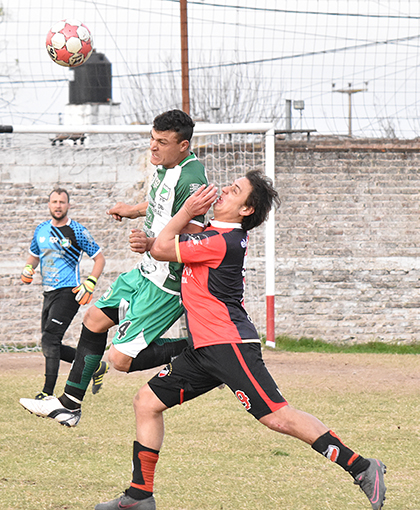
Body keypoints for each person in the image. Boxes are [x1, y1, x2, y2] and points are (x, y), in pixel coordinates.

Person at [94, 171, 387, 510]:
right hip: (203, 350)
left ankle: (363, 467)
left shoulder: (224, 241)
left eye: (234, 191)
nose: (224, 191)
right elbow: (164, 241)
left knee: (277, 416)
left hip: (228, 345)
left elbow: (163, 245)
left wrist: (183, 214)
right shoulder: (213, 233)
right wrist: (151, 234)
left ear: (246, 210)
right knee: (146, 403)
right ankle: (139, 496)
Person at [20, 109, 208, 427]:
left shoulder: (192, 179)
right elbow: (161, 203)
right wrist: (133, 211)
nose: (153, 147)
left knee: (120, 360)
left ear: (184, 145)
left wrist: (151, 243)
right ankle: (69, 405)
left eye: (162, 142)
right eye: (152, 139)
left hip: (166, 283)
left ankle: (198, 351)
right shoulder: (165, 169)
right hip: (145, 270)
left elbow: (196, 235)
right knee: (94, 319)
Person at [20, 188, 106, 399]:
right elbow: (34, 257)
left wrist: (91, 282)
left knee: (50, 339)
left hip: (69, 292)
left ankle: (47, 393)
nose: (58, 205)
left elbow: (99, 258)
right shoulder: (41, 230)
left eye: (62, 202)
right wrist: (27, 269)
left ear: (68, 205)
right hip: (48, 293)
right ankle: (95, 367)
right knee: (50, 343)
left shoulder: (76, 231)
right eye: (54, 201)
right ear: (49, 205)